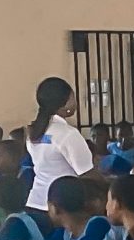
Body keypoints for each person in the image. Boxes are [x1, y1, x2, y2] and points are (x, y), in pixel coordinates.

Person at [25, 75, 95, 213]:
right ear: (65, 102)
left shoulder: (35, 131)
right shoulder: (67, 133)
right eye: (73, 97)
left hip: (36, 202)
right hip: (60, 208)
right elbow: (88, 174)